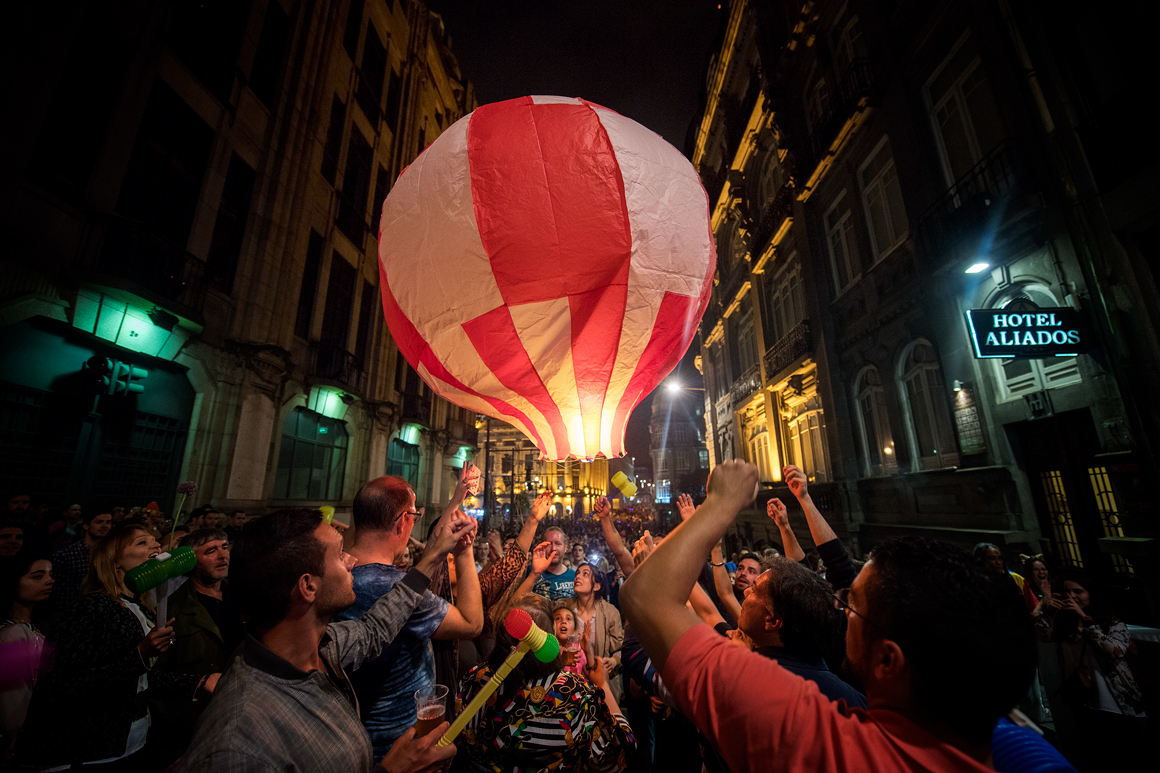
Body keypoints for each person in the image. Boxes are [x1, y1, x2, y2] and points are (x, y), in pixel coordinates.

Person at [621, 460, 1037, 773]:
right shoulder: (1004, 745)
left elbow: (645, 596)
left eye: (853, 607)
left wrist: (722, 503)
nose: (840, 610)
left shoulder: (821, 737)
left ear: (888, 660)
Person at [177, 507, 470, 773]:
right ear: (308, 586)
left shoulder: (320, 648)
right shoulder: (238, 742)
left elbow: (375, 629)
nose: (352, 559)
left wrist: (434, 554)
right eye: (340, 553)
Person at [16, 524, 214, 769]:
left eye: (155, 541)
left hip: (129, 746)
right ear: (115, 561)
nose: (156, 546)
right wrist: (140, 654)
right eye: (142, 542)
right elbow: (67, 684)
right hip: (86, 753)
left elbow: (137, 681)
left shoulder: (136, 607)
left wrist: (199, 682)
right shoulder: (93, 607)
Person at [338, 475, 483, 759]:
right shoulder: (387, 585)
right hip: (403, 745)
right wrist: (464, 551)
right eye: (414, 517)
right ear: (402, 521)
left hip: (354, 737)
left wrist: (455, 502)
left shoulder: (337, 574)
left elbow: (422, 572)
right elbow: (471, 622)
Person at [456, 593, 634, 772]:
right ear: (550, 637)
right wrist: (603, 685)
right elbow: (621, 758)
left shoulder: (473, 680)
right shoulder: (576, 695)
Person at [148, 528, 243, 763]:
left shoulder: (243, 597)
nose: (223, 556)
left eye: (225, 547)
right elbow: (157, 679)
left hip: (240, 715)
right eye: (211, 550)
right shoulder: (173, 611)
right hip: (194, 728)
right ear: (190, 560)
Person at [1037, 571, 1146, 767]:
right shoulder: (1064, 623)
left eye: (1078, 591)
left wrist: (1086, 619)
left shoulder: (1110, 621)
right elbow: (1041, 634)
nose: (1072, 596)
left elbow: (1114, 650)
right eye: (1067, 592)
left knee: (1127, 756)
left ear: (1090, 593)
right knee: (1095, 756)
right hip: (1084, 698)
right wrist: (1044, 606)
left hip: (1118, 700)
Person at [736, 555, 865, 708]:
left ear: (773, 621)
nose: (746, 592)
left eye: (754, 590)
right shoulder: (859, 705)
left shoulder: (748, 685)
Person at [0, 552, 53, 755]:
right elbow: (13, 703)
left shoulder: (33, 627)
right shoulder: (12, 634)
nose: (50, 580)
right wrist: (19, 747)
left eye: (50, 574)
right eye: (38, 576)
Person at [572, 562, 624, 701]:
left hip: (602, 686)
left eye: (585, 574)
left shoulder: (610, 613)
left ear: (596, 586)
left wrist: (613, 661)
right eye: (577, 573)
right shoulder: (564, 609)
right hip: (572, 686)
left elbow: (621, 648)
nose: (578, 577)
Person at [49, 510, 113, 613]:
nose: (104, 526)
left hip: (101, 611)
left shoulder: (112, 554)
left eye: (108, 522)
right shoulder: (67, 555)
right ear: (86, 526)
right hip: (70, 611)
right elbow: (55, 589)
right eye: (99, 522)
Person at [975, 542, 1039, 612]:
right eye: (992, 558)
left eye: (1000, 558)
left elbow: (1033, 608)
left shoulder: (1016, 579)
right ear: (980, 560)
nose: (998, 562)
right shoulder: (974, 584)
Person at [527, 525, 575, 600]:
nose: (553, 548)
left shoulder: (574, 577)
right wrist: (534, 574)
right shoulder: (530, 571)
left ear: (565, 547)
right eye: (549, 544)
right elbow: (516, 601)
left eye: (558, 543)